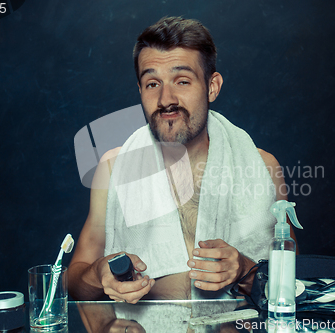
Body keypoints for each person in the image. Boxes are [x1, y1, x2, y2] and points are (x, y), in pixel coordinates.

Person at [68, 16, 296, 304]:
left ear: (212, 87)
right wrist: (98, 274)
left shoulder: (264, 167)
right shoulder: (114, 168)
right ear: (140, 90)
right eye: (152, 84)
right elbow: (74, 283)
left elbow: (292, 285)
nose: (166, 99)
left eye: (182, 81)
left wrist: (244, 269)